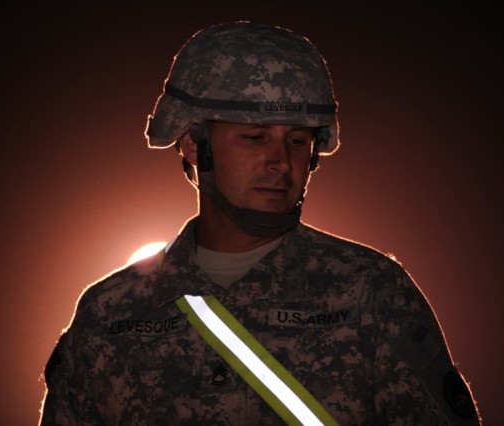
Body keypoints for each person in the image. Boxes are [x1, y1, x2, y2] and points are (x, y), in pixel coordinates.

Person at [40, 22, 480, 425]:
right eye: (254, 138)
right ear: (195, 145)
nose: (280, 163)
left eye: (297, 140)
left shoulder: (372, 294)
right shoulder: (109, 313)